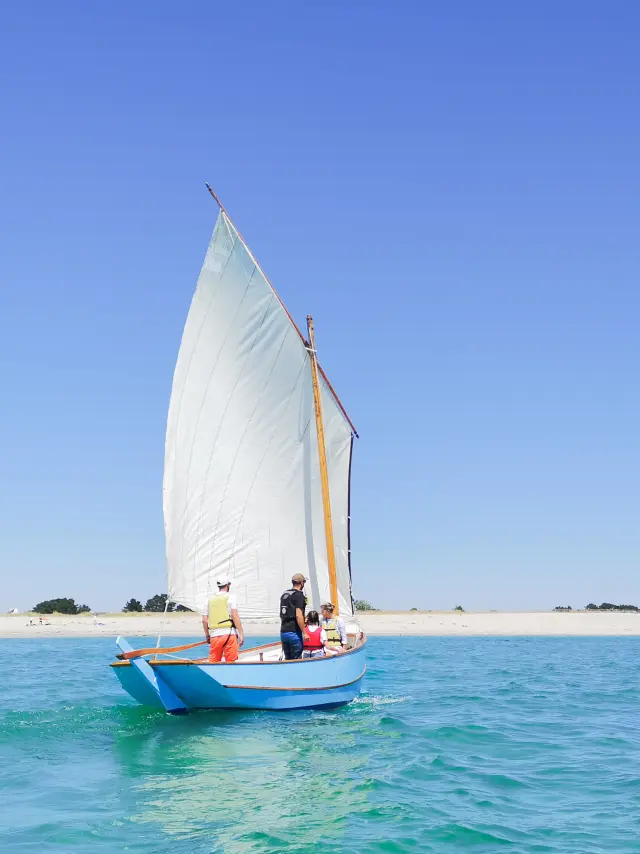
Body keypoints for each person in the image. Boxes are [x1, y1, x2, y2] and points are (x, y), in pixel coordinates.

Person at [201, 574, 244, 663]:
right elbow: (235, 616)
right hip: (229, 635)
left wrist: (207, 635)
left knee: (213, 662)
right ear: (227, 585)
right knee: (231, 662)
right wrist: (241, 634)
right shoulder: (231, 597)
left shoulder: (208, 599)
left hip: (215, 636)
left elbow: (204, 620)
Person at [280, 573, 308, 660]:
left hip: (283, 632)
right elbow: (298, 616)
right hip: (294, 633)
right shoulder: (299, 595)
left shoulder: (285, 594)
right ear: (302, 583)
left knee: (288, 659)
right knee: (296, 660)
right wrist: (305, 632)